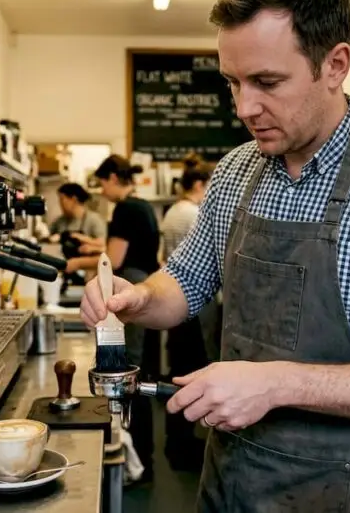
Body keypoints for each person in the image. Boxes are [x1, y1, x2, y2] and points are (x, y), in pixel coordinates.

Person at [80, 0, 350, 512]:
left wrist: (278, 385)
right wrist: (137, 297)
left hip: (342, 490)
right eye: (233, 83)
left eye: (267, 82)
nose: (245, 107)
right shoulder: (236, 170)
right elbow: (187, 284)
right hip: (232, 479)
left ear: (335, 64)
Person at [82, 154, 161, 481]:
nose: (102, 190)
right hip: (144, 287)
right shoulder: (142, 207)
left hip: (128, 294)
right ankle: (144, 457)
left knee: (128, 378)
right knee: (139, 376)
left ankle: (134, 462)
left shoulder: (125, 209)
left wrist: (74, 265)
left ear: (114, 177)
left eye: (102, 182)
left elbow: (111, 258)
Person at [160, 154, 214, 470]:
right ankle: (181, 447)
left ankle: (178, 442)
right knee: (189, 375)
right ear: (199, 184)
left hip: (177, 307)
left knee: (180, 371)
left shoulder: (172, 212)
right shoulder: (193, 214)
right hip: (191, 305)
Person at [47, 183, 108, 275]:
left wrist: (86, 243)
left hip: (87, 272)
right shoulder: (60, 222)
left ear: (74, 199)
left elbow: (104, 245)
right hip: (64, 270)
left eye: (62, 199)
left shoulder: (94, 220)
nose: (60, 203)